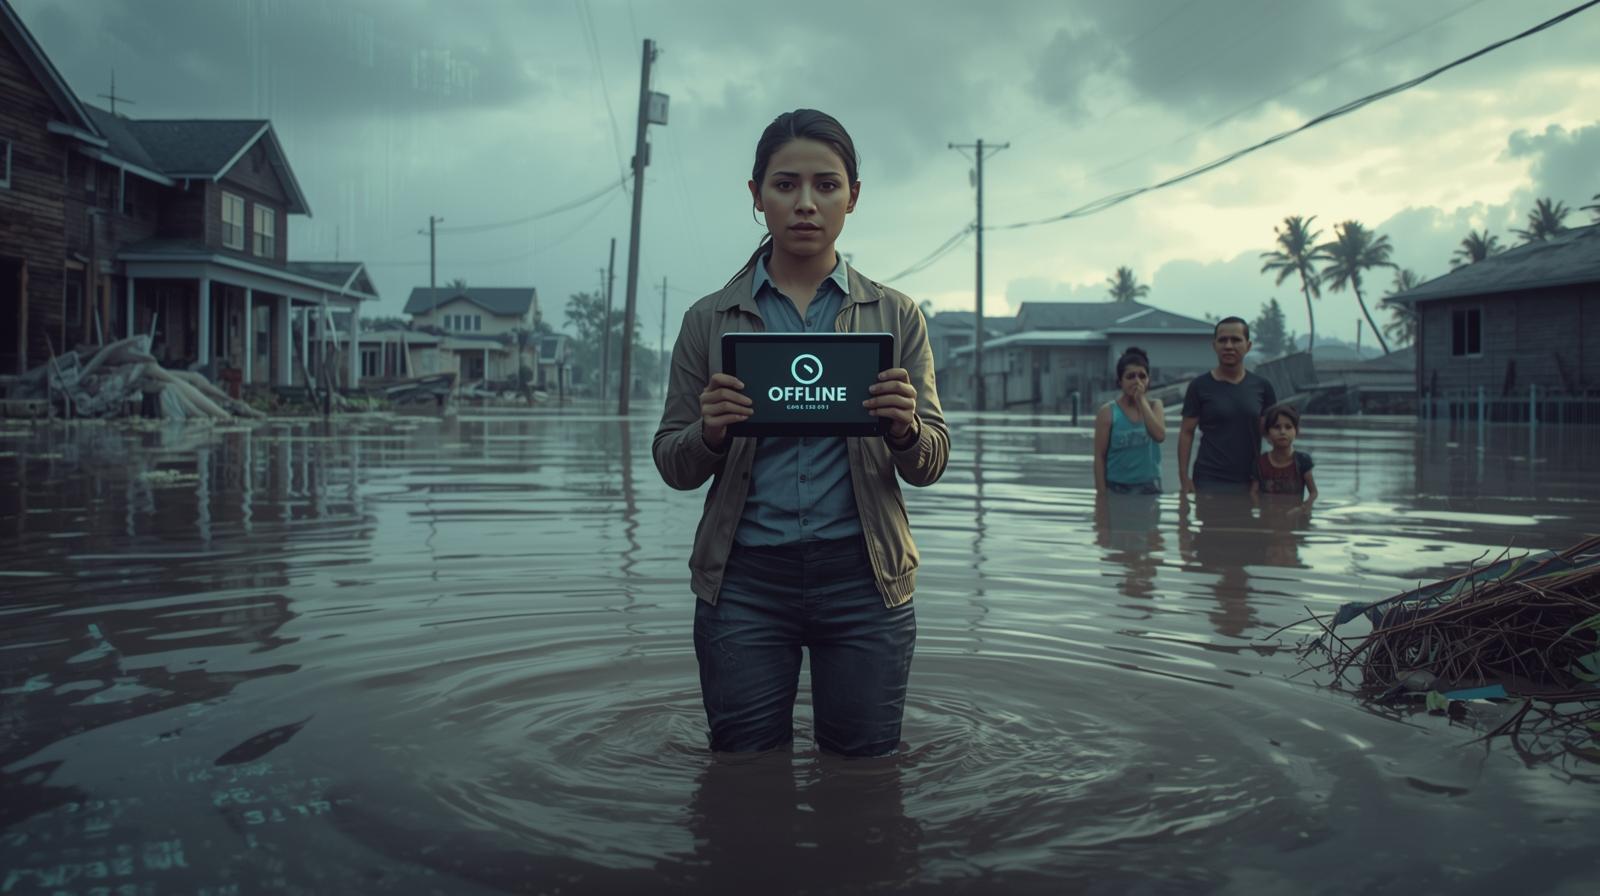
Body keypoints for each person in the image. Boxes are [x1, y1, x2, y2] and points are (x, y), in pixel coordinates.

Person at [652, 109, 950, 758]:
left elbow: (931, 463)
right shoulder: (711, 321)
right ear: (756, 197)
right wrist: (708, 433)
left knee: (867, 775)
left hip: (865, 579)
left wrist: (904, 429)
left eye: (827, 185)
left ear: (853, 197)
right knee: (742, 775)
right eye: (785, 185)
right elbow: (672, 464)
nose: (806, 204)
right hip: (744, 582)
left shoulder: (896, 316)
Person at [1176, 317, 1277, 495]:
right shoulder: (1199, 386)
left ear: (1248, 345)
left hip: (1251, 479)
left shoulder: (1263, 387)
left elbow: (1274, 435)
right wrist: (1184, 478)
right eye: (1223, 340)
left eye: (1236, 340)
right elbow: (1186, 432)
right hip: (1208, 479)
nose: (1229, 346)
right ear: (1214, 345)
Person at [1093, 346, 1165, 495]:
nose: (1137, 381)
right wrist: (1101, 496)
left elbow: (1159, 435)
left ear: (1148, 380)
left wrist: (1141, 401)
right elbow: (1099, 457)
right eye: (1130, 376)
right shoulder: (1108, 412)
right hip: (1116, 487)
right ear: (1120, 381)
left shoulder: (1155, 406)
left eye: (1142, 376)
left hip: (1149, 486)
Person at [1250, 402, 1318, 507]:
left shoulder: (1302, 461)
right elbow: (1253, 492)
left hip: (1295, 519)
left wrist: (1304, 508)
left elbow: (1313, 493)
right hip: (1268, 520)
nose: (1282, 432)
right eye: (1277, 427)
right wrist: (1260, 508)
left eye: (1288, 427)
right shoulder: (1260, 463)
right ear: (1267, 433)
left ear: (1296, 431)